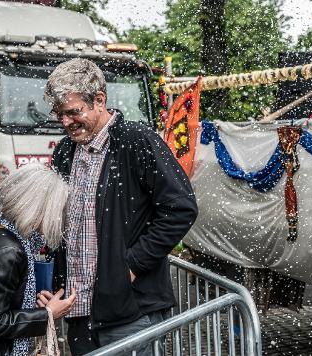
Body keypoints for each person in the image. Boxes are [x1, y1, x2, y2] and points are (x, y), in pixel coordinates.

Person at [42, 58, 198, 355]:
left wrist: (133, 265)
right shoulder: (64, 151)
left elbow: (181, 209)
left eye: (73, 112)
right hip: (79, 313)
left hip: (132, 312)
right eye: (59, 114)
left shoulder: (138, 141)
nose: (65, 123)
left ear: (99, 100)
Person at [0, 163, 76, 355]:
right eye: (55, 210)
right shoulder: (8, 250)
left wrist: (31, 306)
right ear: (38, 208)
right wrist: (47, 315)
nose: (57, 218)